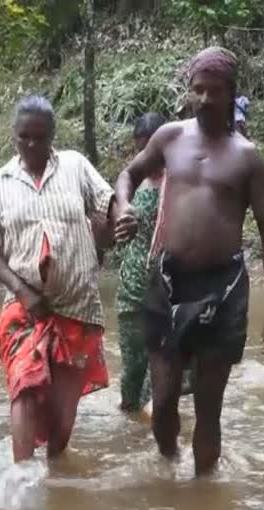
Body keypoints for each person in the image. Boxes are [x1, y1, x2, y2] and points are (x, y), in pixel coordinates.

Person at [114, 47, 264, 476]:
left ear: (231, 94)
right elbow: (129, 175)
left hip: (223, 290)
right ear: (189, 93)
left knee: (209, 409)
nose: (205, 99)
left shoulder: (247, 157)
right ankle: (168, 473)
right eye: (198, 90)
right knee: (165, 399)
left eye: (215, 91)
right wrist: (122, 207)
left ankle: (204, 490)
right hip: (168, 282)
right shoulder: (169, 137)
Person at [0, 95, 136, 462]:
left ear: (52, 137)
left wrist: (123, 214)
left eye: (40, 137)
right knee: (25, 388)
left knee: (63, 421)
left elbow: (107, 201)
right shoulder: (1, 181)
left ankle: (53, 479)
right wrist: (21, 290)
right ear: (14, 136)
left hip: (77, 308)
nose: (31, 145)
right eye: (24, 137)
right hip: (25, 309)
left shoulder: (75, 166)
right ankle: (20, 483)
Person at [115, 113, 165, 413]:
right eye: (141, 148)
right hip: (132, 289)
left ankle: (155, 437)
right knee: (131, 370)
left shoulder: (180, 182)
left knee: (159, 374)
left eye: (152, 148)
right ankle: (130, 433)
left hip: (167, 290)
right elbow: (116, 232)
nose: (147, 156)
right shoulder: (134, 184)